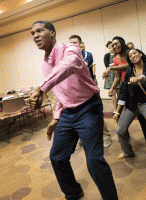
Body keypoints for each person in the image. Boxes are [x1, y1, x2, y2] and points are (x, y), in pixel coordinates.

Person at [29, 21, 118, 200]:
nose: (35, 35)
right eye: (32, 33)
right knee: (57, 157)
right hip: (68, 113)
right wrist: (56, 118)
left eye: (40, 31)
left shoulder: (70, 49)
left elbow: (69, 65)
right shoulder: (45, 64)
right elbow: (62, 92)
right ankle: (73, 192)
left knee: (94, 161)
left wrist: (41, 88)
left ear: (52, 33)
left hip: (88, 108)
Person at [103, 36, 146, 148]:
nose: (114, 46)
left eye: (116, 44)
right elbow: (118, 77)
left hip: (136, 83)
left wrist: (110, 68)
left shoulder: (130, 53)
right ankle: (125, 141)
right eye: (112, 45)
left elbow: (129, 65)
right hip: (124, 87)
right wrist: (113, 88)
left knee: (142, 117)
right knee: (120, 114)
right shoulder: (115, 59)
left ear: (122, 43)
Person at [69, 36, 111, 148]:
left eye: (75, 42)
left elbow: (82, 66)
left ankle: (105, 136)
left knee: (95, 113)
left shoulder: (87, 54)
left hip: (89, 90)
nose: (72, 44)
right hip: (76, 91)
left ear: (80, 44)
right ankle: (82, 139)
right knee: (79, 116)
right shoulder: (68, 57)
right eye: (70, 43)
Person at [103, 41, 119, 112]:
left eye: (111, 46)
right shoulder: (106, 55)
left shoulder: (118, 54)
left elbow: (120, 63)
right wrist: (115, 64)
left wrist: (112, 64)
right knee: (112, 92)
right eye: (109, 46)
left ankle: (120, 108)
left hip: (118, 73)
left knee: (119, 91)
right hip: (110, 75)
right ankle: (115, 109)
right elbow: (107, 65)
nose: (110, 48)